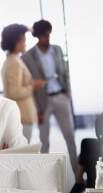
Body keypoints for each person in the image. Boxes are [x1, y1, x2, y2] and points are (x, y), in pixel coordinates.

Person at [22, 20, 77, 174]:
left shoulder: (58, 50)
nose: (47, 38)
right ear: (37, 36)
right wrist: (36, 111)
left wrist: (68, 94)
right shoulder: (27, 57)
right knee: (44, 141)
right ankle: (43, 176)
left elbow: (65, 74)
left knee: (70, 137)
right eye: (44, 35)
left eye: (48, 34)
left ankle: (79, 176)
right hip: (42, 103)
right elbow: (29, 85)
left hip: (60, 97)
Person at [0, 24, 45, 143]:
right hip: (22, 116)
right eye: (23, 40)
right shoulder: (14, 62)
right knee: (23, 151)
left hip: (22, 115)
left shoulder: (13, 60)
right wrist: (33, 86)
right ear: (15, 42)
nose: (25, 43)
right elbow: (14, 92)